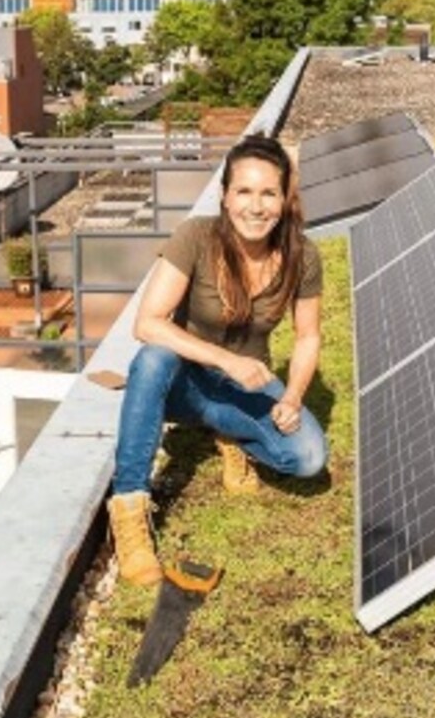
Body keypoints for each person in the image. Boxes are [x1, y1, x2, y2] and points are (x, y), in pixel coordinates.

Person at [108, 134, 328, 586]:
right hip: (182, 383)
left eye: (269, 193)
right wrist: (226, 360)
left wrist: (292, 396)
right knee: (152, 359)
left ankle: (230, 434)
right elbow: (147, 323)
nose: (256, 206)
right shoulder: (196, 237)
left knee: (307, 458)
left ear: (285, 200)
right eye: (244, 192)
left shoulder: (303, 256)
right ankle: (129, 509)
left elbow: (308, 337)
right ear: (225, 198)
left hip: (244, 387)